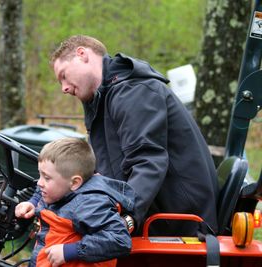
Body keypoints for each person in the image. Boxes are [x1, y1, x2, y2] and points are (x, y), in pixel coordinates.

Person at [49, 35, 219, 236]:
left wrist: (124, 218)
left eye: (64, 76)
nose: (64, 88)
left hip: (180, 223)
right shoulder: (104, 100)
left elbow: (148, 162)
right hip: (155, 212)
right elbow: (103, 170)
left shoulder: (133, 92)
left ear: (82, 55)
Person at [15, 137, 135, 267]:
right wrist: (32, 203)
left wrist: (70, 251)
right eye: (40, 175)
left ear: (74, 182)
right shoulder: (59, 191)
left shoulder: (88, 205)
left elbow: (119, 240)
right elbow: (42, 189)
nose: (39, 182)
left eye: (47, 178)